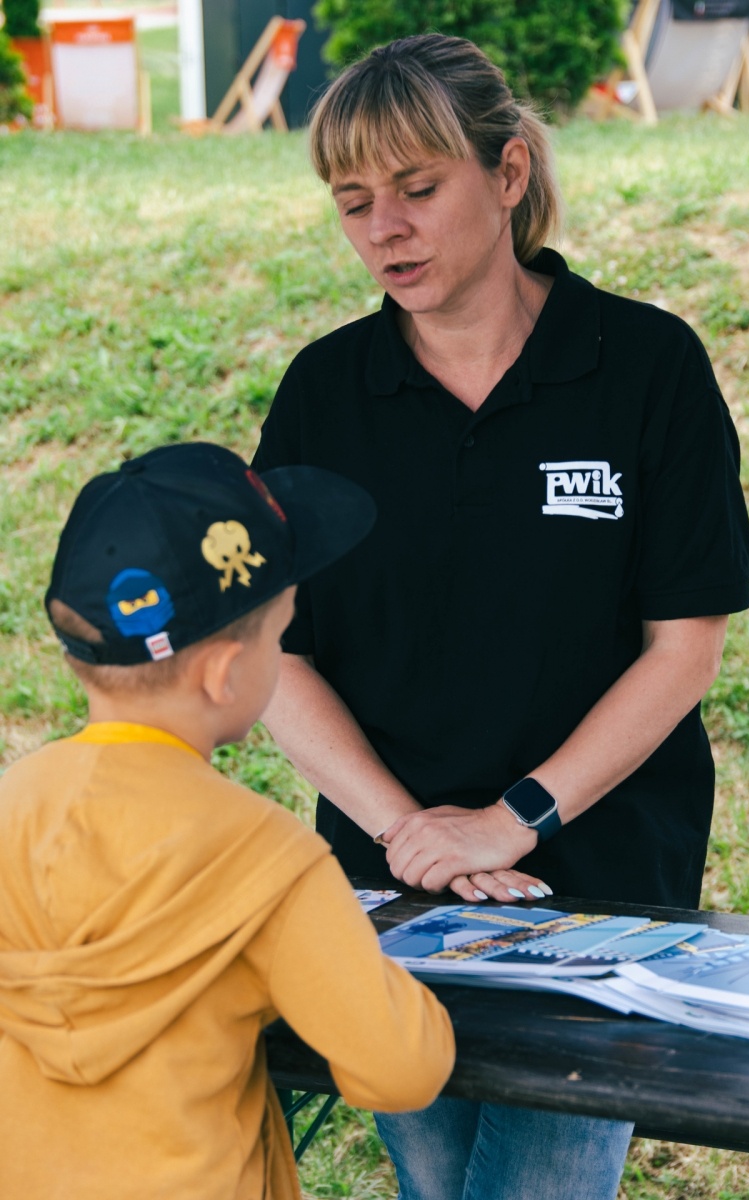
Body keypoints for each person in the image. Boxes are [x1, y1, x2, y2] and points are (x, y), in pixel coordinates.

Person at [251, 33, 749, 1200]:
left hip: (598, 876)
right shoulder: (326, 396)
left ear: (509, 173)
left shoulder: (642, 366)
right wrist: (410, 836)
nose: (384, 229)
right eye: (354, 202)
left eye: (418, 190)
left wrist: (511, 820)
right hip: (390, 878)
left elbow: (683, 646)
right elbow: (276, 652)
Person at [0, 442, 455, 1200]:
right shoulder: (267, 856)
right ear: (223, 674)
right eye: (278, 637)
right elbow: (400, 1069)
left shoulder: (13, 804)